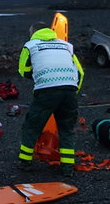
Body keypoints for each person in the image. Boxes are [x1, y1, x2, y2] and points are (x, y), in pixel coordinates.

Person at [16, 22, 84, 177]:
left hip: (46, 91)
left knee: (32, 125)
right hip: (69, 90)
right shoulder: (66, 45)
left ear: (33, 31)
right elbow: (80, 72)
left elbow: (23, 70)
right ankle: (68, 168)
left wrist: (38, 75)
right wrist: (73, 91)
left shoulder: (30, 45)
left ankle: (25, 162)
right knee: (67, 129)